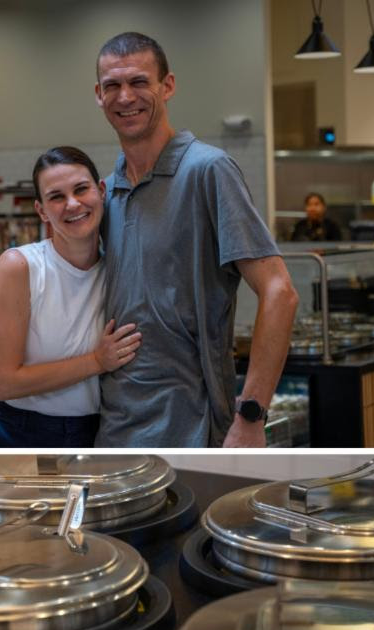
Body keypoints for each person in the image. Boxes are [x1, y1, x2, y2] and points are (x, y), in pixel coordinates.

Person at [93, 32, 299, 448]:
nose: (125, 96)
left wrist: (252, 416)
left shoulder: (208, 170)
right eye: (113, 85)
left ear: (167, 86)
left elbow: (280, 291)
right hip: (114, 426)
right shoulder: (109, 192)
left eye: (138, 82)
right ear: (99, 95)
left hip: (193, 425)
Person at [0, 146, 143, 447]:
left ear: (101, 191)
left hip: (93, 431)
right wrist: (96, 361)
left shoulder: (118, 271)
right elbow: (4, 383)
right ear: (42, 211)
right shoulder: (20, 266)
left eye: (81, 189)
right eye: (56, 197)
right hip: (18, 432)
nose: (73, 204)